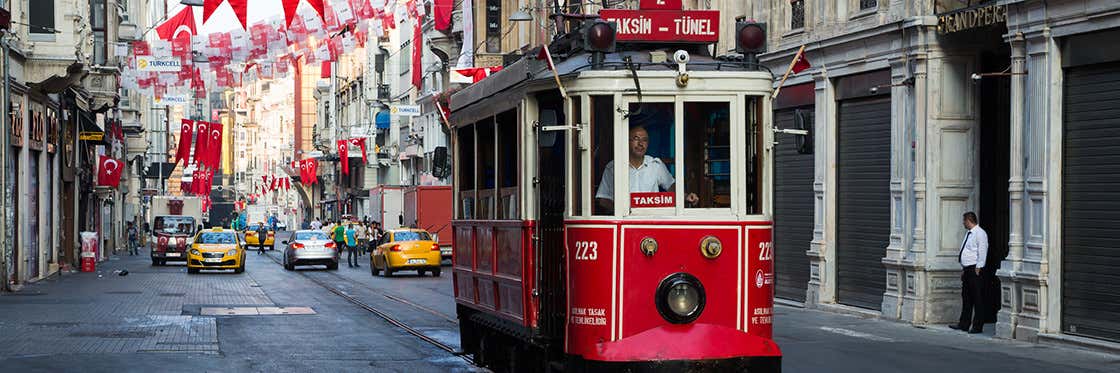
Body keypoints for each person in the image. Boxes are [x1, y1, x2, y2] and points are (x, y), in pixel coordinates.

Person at [595, 126, 698, 211]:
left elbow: (671, 187)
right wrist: (622, 211)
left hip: (651, 220)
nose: (640, 144)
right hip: (624, 220)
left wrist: (685, 196)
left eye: (644, 140)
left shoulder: (655, 165)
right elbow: (603, 199)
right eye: (636, 139)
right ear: (627, 142)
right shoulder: (613, 167)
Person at [951, 211, 989, 334]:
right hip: (967, 269)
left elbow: (982, 250)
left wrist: (979, 267)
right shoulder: (969, 233)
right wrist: (964, 268)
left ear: (969, 220)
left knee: (977, 298)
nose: (963, 223)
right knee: (966, 297)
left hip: (975, 269)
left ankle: (977, 326)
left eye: (964, 221)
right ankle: (964, 324)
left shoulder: (980, 233)